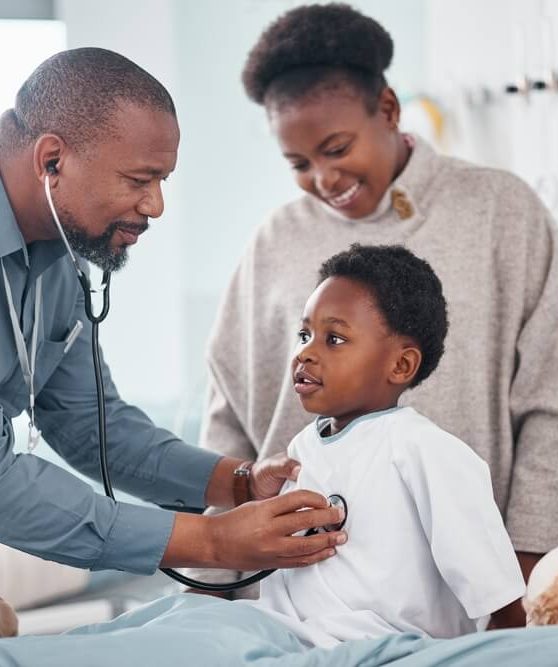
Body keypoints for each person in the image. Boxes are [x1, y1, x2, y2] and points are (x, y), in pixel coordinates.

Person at [193, 2, 558, 621]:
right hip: (286, 603)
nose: (323, 177)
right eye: (299, 164)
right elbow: (227, 416)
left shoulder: (502, 212)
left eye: (337, 148)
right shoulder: (274, 241)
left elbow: (550, 400)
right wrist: (214, 575)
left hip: (453, 602)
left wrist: (522, 574)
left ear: (388, 110)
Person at [0, 47, 346, 580]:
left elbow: (92, 426)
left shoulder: (62, 252)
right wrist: (208, 541)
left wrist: (239, 482)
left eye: (162, 181)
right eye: (139, 180)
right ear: (52, 161)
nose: (155, 205)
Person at [245, 243, 525, 647]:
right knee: (184, 623)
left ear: (400, 365)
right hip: (288, 637)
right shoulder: (303, 448)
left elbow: (492, 584)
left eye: (334, 339)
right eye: (305, 334)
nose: (305, 353)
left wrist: (523, 648)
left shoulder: (424, 451)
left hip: (382, 646)